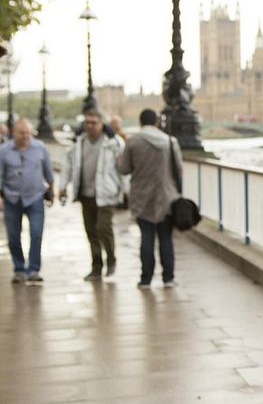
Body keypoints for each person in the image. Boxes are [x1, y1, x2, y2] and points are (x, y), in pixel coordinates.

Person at [117, 108, 182, 289]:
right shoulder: (170, 142)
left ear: (140, 122)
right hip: (166, 196)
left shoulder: (133, 142)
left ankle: (146, 279)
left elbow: (124, 169)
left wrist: (118, 159)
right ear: (156, 122)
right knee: (166, 238)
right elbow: (179, 170)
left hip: (141, 196)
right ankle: (168, 278)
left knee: (147, 238)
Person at [59, 108, 126, 281]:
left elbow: (124, 169)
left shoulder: (114, 143)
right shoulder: (78, 142)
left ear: (102, 123)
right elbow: (68, 165)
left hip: (106, 193)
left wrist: (126, 191)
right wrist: (63, 186)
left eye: (93, 123)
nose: (90, 126)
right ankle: (96, 267)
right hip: (86, 193)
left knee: (103, 228)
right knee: (91, 231)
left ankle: (111, 259)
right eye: (87, 122)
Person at [0, 118, 55, 284]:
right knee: (13, 237)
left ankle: (33, 270)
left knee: (36, 234)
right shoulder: (4, 151)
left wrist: (51, 192)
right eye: (22, 133)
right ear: (13, 133)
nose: (26, 136)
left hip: (35, 197)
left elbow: (49, 173)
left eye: (28, 133)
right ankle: (19, 269)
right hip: (11, 199)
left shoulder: (40, 148)